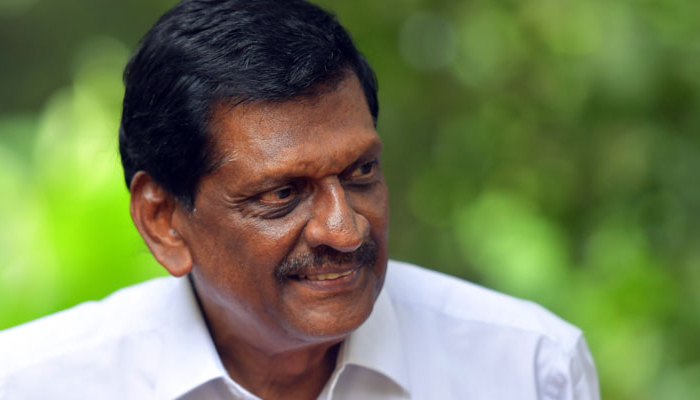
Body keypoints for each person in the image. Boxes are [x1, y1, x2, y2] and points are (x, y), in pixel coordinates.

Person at [0, 0, 600, 399]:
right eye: (281, 194)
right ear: (163, 220)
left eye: (361, 171)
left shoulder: (528, 368)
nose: (345, 230)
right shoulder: (34, 384)